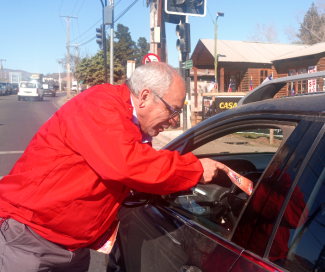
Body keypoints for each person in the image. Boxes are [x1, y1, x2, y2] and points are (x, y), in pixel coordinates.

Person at [0, 62, 228, 272]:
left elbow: (136, 166)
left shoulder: (130, 125)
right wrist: (194, 170)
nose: (175, 121)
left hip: (72, 249)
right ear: (145, 97)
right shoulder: (99, 104)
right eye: (174, 110)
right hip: (30, 241)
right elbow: (129, 164)